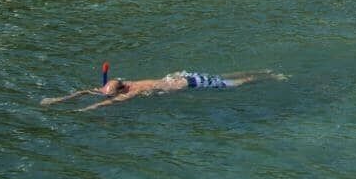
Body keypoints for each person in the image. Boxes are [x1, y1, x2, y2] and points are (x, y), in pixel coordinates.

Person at [43, 70, 277, 109]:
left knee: (232, 84)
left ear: (122, 89)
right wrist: (59, 99)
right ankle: (262, 70)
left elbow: (111, 102)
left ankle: (266, 77)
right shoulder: (118, 85)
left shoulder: (133, 90)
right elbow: (87, 91)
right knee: (221, 75)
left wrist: (87, 110)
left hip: (189, 83)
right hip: (180, 75)